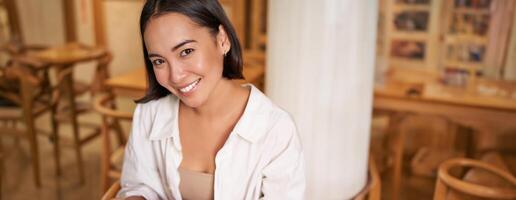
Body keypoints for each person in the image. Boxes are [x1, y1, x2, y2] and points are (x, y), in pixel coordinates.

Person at [117, 0, 305, 199]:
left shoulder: (277, 130)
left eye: (186, 51)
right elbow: (138, 185)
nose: (176, 76)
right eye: (159, 61)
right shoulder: (149, 113)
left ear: (222, 40)